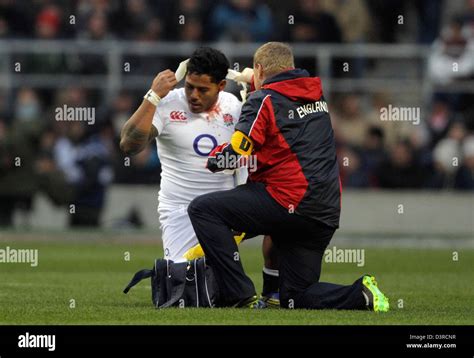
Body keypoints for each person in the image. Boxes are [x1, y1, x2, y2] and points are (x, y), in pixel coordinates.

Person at [187, 42, 390, 310]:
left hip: (287, 201)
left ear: (258, 68)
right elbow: (285, 109)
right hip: (322, 213)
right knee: (296, 296)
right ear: (290, 67)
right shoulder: (316, 97)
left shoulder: (264, 100)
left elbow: (236, 153)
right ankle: (362, 294)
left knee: (204, 210)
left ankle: (238, 292)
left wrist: (213, 161)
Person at [119, 47, 279, 304]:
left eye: (203, 90)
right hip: (181, 211)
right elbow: (129, 144)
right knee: (187, 287)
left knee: (284, 216)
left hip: (228, 210)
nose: (193, 95)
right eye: (189, 86)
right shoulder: (167, 103)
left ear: (221, 85)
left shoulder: (234, 105)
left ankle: (274, 293)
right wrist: (152, 96)